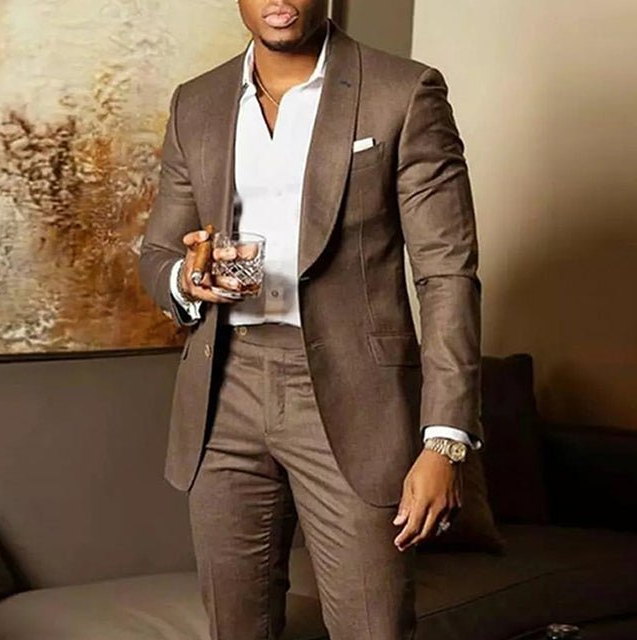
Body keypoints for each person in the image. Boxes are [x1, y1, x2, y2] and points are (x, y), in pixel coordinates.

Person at [138, 1, 484, 638]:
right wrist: (187, 278)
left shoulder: (403, 92)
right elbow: (158, 254)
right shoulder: (197, 102)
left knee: (372, 628)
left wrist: (445, 441)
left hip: (356, 399)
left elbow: (446, 274)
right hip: (223, 393)